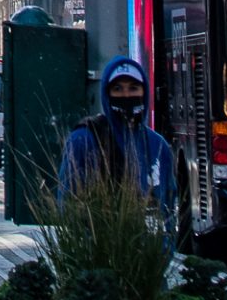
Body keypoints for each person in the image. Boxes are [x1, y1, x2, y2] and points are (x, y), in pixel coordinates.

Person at [57, 58, 179, 223]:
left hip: (152, 246)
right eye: (118, 89)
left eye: (133, 88)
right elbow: (67, 203)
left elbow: (168, 205)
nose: (126, 95)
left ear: (144, 92)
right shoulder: (83, 140)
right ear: (107, 94)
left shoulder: (158, 145)